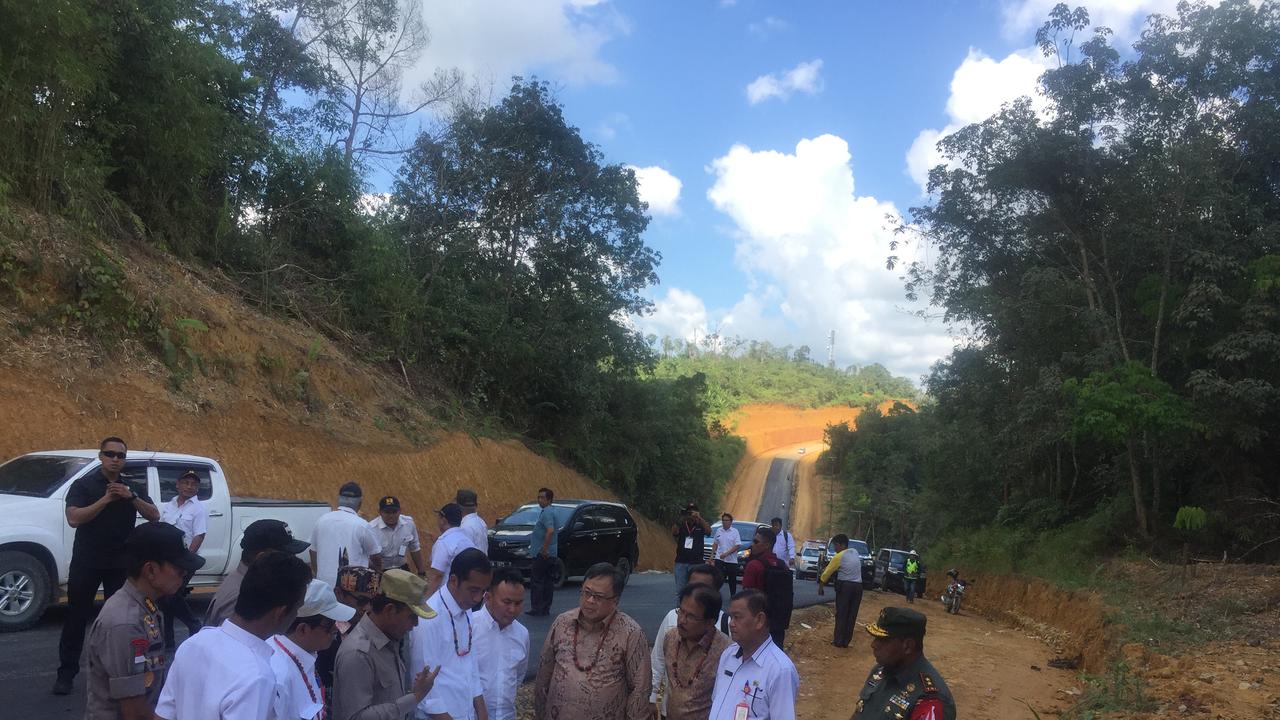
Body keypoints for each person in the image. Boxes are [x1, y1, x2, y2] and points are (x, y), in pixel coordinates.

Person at [55, 436, 161, 696]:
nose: (115, 459)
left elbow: (154, 515)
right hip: (87, 561)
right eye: (110, 454)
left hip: (119, 563)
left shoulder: (130, 486)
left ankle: (115, 672)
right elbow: (73, 518)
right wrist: (105, 499)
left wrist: (131, 496)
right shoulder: (84, 484)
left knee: (118, 621)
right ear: (100, 456)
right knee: (76, 618)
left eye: (120, 455)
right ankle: (66, 674)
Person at [156, 550, 313, 720]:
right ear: (281, 613)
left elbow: (163, 715)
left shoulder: (194, 643)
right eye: (297, 608)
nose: (296, 615)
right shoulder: (256, 677)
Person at [85, 523, 204, 720]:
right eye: (179, 570)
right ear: (150, 570)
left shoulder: (146, 607)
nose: (184, 576)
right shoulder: (125, 623)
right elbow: (135, 714)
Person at [533, 562, 651, 720]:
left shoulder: (630, 633)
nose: (589, 600)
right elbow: (544, 674)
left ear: (615, 601)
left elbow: (640, 689)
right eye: (586, 592)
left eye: (598, 597)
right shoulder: (562, 623)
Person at [331, 569, 440, 720]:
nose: (415, 624)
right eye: (412, 616)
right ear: (390, 610)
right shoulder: (357, 653)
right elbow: (356, 717)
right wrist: (415, 696)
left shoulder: (390, 639)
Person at [409, 548, 491, 720]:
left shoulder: (466, 607)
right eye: (473, 590)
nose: (478, 599)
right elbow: (425, 693)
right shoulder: (428, 618)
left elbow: (471, 666)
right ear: (453, 580)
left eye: (483, 591)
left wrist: (482, 713)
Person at [270, 580, 356, 720]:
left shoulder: (305, 652)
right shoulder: (279, 677)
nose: (335, 628)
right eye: (329, 624)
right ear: (303, 629)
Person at [850, 607, 956, 720]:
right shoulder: (881, 671)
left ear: (907, 646)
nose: (874, 645)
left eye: (883, 640)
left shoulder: (930, 699)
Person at [708, 590, 799, 720]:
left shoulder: (780, 670)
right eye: (731, 617)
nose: (731, 623)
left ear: (760, 620)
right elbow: (716, 702)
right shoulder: (728, 655)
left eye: (737, 617)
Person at [650, 564, 728, 717]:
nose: (682, 620)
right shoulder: (671, 634)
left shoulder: (726, 647)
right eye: (681, 612)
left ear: (710, 621)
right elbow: (657, 661)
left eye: (691, 616)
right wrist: (652, 697)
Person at [206, 519, 311, 628]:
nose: (291, 560)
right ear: (261, 558)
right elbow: (233, 642)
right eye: (287, 556)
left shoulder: (243, 580)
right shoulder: (243, 596)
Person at [158, 469, 208, 649]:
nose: (189, 486)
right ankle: (169, 641)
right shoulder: (169, 505)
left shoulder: (198, 509)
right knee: (165, 598)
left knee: (171, 596)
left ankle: (194, 625)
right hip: (166, 558)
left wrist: (186, 561)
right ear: (177, 484)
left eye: (194, 484)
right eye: (186, 482)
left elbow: (199, 535)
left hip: (184, 560)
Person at [472, 568, 529, 720]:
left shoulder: (522, 634)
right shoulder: (469, 628)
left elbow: (518, 676)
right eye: (507, 602)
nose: (512, 609)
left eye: (518, 603)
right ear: (488, 597)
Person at [317, 566, 383, 694]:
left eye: (372, 602)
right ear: (338, 593)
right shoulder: (321, 630)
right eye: (362, 600)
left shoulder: (373, 627)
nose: (368, 608)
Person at [312, 482, 383, 588]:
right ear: (360, 503)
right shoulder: (362, 525)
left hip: (323, 586)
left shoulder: (322, 520)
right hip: (351, 589)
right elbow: (376, 556)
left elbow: (313, 551)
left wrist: (319, 574)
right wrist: (378, 572)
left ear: (339, 500)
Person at [741, 527, 793, 647]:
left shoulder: (754, 566)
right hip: (778, 623)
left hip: (757, 624)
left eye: (756, 542)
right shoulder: (783, 566)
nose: (752, 545)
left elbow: (746, 597)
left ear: (767, 545)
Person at [817, 534, 863, 648]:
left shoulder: (839, 557)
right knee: (852, 614)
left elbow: (827, 573)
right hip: (858, 587)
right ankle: (846, 641)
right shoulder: (855, 552)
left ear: (841, 545)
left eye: (835, 545)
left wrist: (821, 586)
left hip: (846, 586)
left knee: (842, 613)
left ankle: (838, 640)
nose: (834, 548)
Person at [426, 503, 477, 598]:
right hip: (465, 597)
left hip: (446, 598)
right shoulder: (467, 540)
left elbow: (437, 576)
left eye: (439, 518)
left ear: (443, 521)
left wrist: (425, 602)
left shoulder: (443, 542)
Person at [370, 496, 426, 574]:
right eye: (387, 512)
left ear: (400, 511)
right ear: (379, 512)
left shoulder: (409, 523)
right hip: (380, 571)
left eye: (394, 512)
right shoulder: (372, 529)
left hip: (402, 569)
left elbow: (414, 547)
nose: (391, 515)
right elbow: (367, 555)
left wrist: (421, 571)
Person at [527, 487, 558, 616]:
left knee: (538, 580)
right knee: (547, 581)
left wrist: (544, 549)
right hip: (551, 553)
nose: (539, 500)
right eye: (538, 497)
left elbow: (550, 531)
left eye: (542, 498)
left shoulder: (547, 513)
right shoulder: (551, 511)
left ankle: (537, 607)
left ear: (549, 499)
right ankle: (545, 607)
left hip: (544, 553)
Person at [671, 502, 711, 599]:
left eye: (693, 512)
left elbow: (708, 531)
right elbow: (674, 532)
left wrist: (699, 518)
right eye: (689, 512)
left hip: (697, 562)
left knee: (695, 590)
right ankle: (680, 611)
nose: (690, 515)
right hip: (681, 561)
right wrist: (680, 518)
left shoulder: (700, 524)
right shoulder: (682, 523)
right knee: (680, 591)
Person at [711, 513, 743, 595]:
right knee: (718, 577)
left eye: (726, 520)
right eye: (723, 520)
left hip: (731, 560)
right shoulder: (719, 530)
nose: (724, 522)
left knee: (732, 579)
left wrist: (726, 554)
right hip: (719, 558)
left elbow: (737, 545)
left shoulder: (735, 532)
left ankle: (733, 594)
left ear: (731, 522)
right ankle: (714, 593)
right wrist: (712, 555)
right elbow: (715, 543)